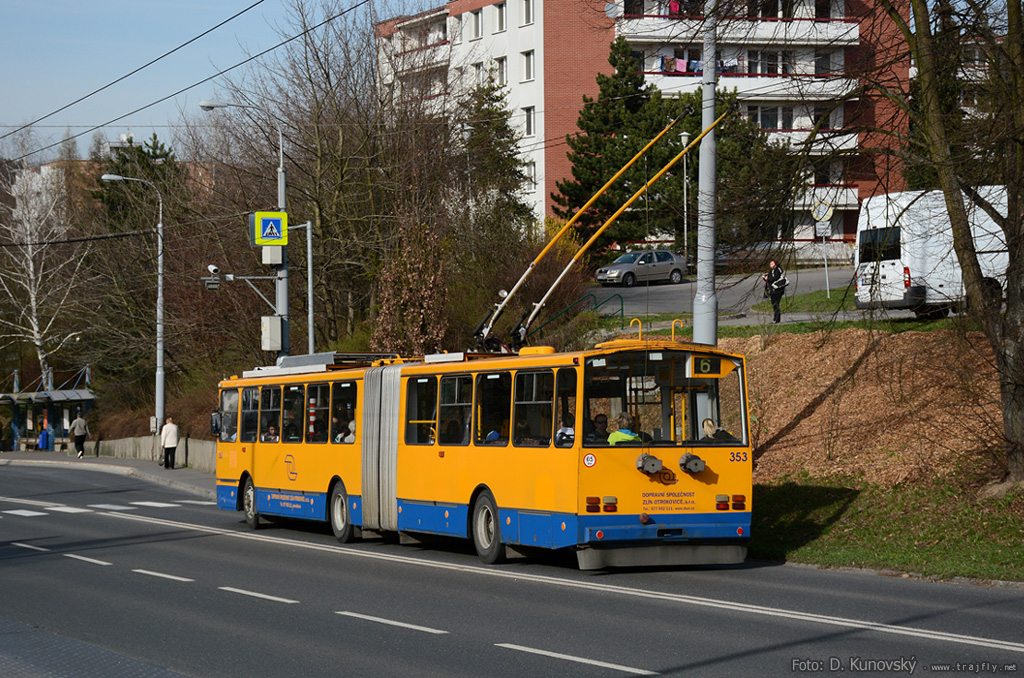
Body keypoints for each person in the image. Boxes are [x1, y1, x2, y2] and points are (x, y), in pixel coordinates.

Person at [762, 259, 787, 324]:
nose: (771, 265)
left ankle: (775, 319)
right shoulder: (772, 271)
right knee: (775, 305)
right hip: (773, 290)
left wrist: (768, 278)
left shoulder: (777, 270)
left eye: (772, 264)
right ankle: (777, 319)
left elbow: (775, 278)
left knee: (776, 304)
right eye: (770, 264)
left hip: (777, 290)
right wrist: (765, 278)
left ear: (775, 264)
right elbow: (769, 280)